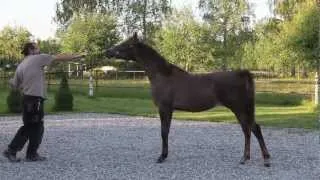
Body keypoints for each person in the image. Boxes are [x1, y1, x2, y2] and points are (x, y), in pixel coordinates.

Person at [3, 42, 85, 162]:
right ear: (31, 50)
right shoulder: (38, 58)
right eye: (37, 48)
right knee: (31, 127)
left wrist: (11, 81)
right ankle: (11, 150)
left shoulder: (21, 65)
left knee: (37, 127)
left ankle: (31, 154)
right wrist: (79, 55)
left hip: (27, 99)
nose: (39, 50)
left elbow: (15, 85)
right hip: (34, 100)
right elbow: (59, 58)